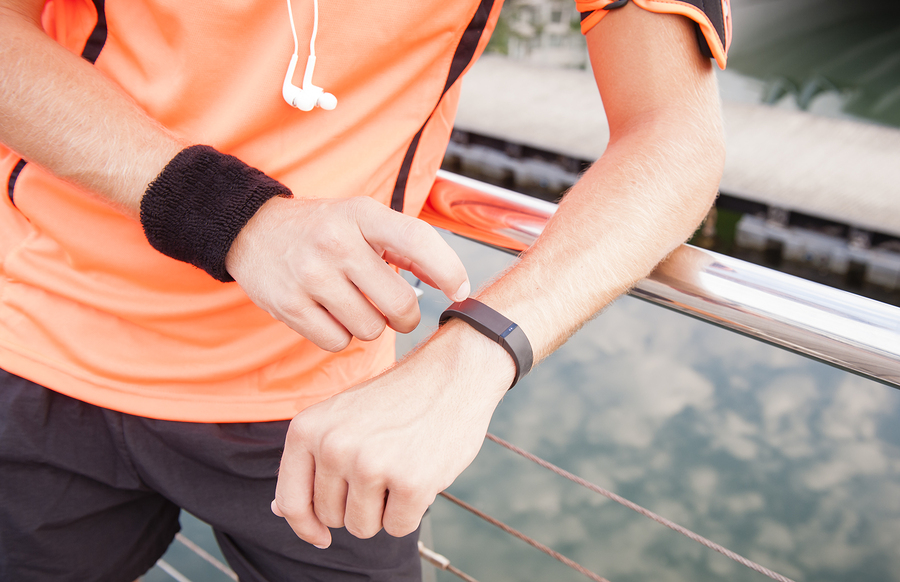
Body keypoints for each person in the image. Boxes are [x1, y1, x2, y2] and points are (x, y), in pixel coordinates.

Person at [0, 0, 730, 580]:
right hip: (38, 336)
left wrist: (477, 353)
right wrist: (237, 219)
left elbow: (674, 134)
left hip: (323, 402)